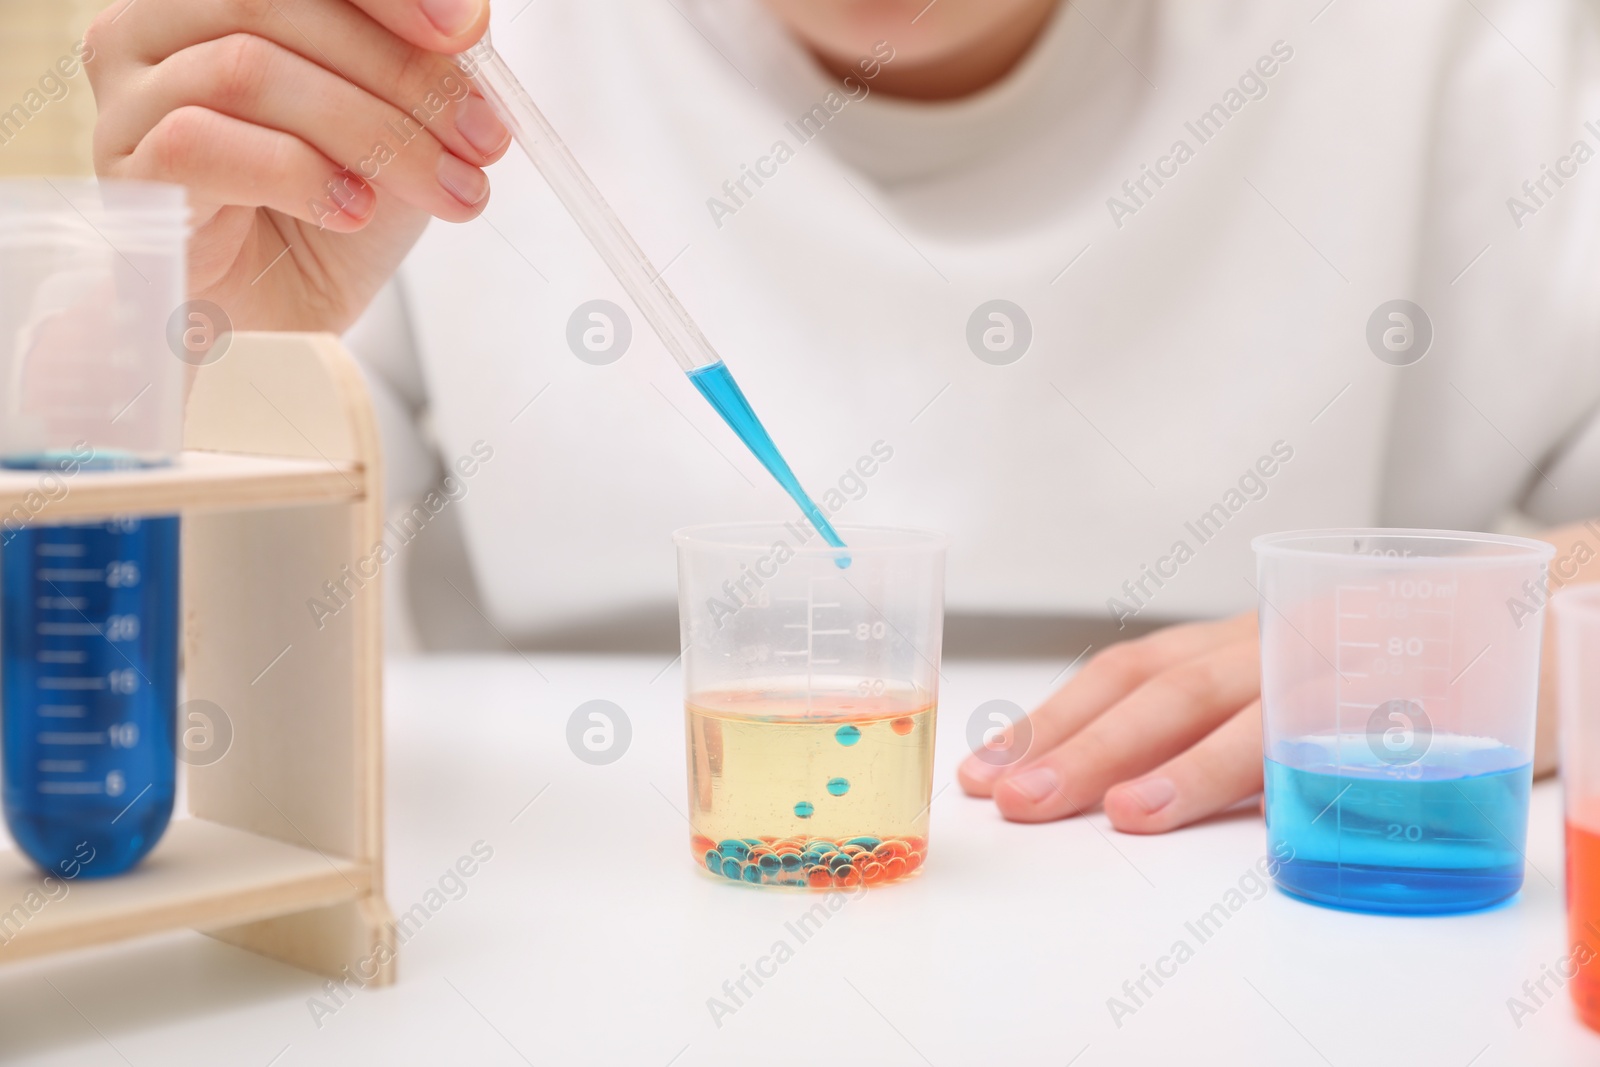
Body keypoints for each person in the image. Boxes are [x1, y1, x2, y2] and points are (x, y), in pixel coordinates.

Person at [85, 0, 1600, 833]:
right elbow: (155, 735)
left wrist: (1488, 654)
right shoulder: (425, 58)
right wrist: (197, 331)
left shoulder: (1471, 47)